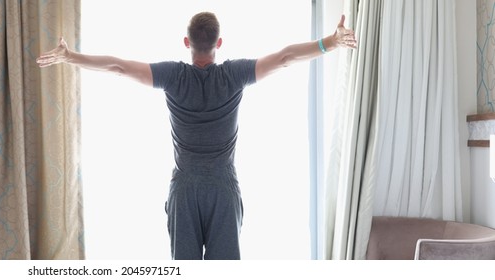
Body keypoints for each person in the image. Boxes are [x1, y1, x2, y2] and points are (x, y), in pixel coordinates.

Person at [36, 12, 357, 260]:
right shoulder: (233, 74)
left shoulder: (173, 76)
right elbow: (286, 57)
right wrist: (330, 41)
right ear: (219, 43)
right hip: (222, 188)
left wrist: (70, 57)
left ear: (186, 43)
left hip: (185, 188)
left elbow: (117, 67)